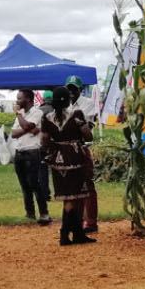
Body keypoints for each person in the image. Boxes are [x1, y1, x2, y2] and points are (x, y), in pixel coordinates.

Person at [42, 87, 96, 245]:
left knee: (68, 197)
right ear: (68, 100)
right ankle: (65, 234)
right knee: (74, 198)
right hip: (74, 157)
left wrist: (55, 147)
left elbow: (44, 140)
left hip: (57, 159)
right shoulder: (76, 114)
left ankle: (76, 233)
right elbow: (88, 135)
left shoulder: (47, 117)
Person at [65, 76, 101, 233]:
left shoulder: (88, 103)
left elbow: (84, 128)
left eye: (74, 89)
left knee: (87, 185)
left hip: (80, 148)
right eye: (69, 89)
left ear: (80, 89)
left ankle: (91, 223)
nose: (71, 92)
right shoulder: (64, 104)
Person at [11, 89, 52, 225]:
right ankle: (30, 213)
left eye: (19, 98)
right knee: (24, 185)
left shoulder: (37, 112)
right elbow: (13, 133)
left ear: (28, 99)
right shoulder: (21, 114)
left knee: (34, 183)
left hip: (32, 152)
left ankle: (44, 213)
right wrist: (28, 129)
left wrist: (19, 116)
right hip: (19, 152)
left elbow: (29, 125)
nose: (17, 101)